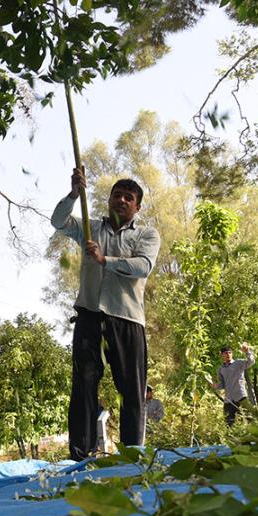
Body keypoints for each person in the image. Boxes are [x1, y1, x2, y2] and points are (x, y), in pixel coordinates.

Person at [52, 167, 160, 461]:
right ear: (109, 199)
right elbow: (58, 221)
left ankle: (132, 456)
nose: (122, 200)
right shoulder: (90, 228)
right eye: (117, 195)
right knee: (84, 385)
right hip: (89, 317)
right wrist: (74, 194)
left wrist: (104, 259)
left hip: (127, 320)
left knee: (131, 390)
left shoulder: (147, 234)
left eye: (129, 197)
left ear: (137, 207)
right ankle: (80, 456)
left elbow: (142, 267)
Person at [213, 344, 256, 426]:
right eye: (226, 353)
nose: (228, 354)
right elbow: (222, 385)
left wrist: (247, 351)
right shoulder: (220, 369)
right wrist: (216, 386)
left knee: (249, 421)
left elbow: (251, 362)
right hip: (228, 400)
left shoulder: (238, 363)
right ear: (221, 355)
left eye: (230, 352)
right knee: (229, 423)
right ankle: (230, 438)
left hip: (241, 397)